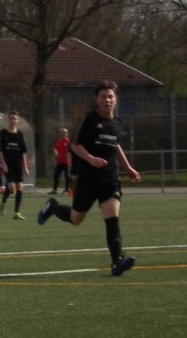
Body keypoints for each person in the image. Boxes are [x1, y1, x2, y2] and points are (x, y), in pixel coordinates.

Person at [38, 80, 141, 276]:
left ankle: (117, 262)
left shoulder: (117, 123)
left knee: (112, 218)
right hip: (87, 179)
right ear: (97, 100)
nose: (107, 100)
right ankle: (52, 207)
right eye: (103, 97)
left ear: (116, 99)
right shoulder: (89, 119)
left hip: (109, 178)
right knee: (76, 218)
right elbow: (74, 146)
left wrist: (128, 167)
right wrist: (91, 159)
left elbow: (116, 145)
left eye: (110, 96)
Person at [0, 111, 29, 220]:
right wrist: (3, 163)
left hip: (18, 164)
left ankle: (17, 212)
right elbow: (0, 151)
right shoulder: (3, 133)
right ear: (8, 120)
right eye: (11, 118)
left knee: (19, 187)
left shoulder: (19, 134)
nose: (13, 120)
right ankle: (3, 203)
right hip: (8, 164)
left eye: (15, 118)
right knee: (11, 186)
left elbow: (23, 152)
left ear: (17, 120)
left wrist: (25, 167)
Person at [50, 128, 73, 195]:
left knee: (67, 176)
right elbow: (55, 148)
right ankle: (54, 190)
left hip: (67, 162)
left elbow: (71, 150)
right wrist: (55, 152)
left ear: (67, 134)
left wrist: (69, 158)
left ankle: (67, 190)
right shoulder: (58, 141)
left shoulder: (68, 142)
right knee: (56, 176)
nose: (62, 134)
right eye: (61, 133)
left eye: (64, 133)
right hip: (59, 162)